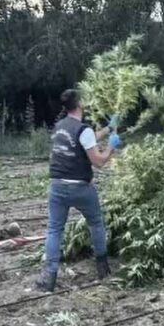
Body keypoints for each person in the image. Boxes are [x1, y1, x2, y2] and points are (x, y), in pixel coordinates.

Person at [36, 89, 121, 292]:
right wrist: (111, 147)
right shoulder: (83, 130)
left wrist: (108, 129)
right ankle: (102, 267)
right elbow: (98, 161)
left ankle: (49, 278)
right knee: (96, 223)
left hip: (57, 187)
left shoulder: (59, 127)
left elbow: (85, 139)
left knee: (55, 229)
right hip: (80, 188)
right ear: (80, 104)